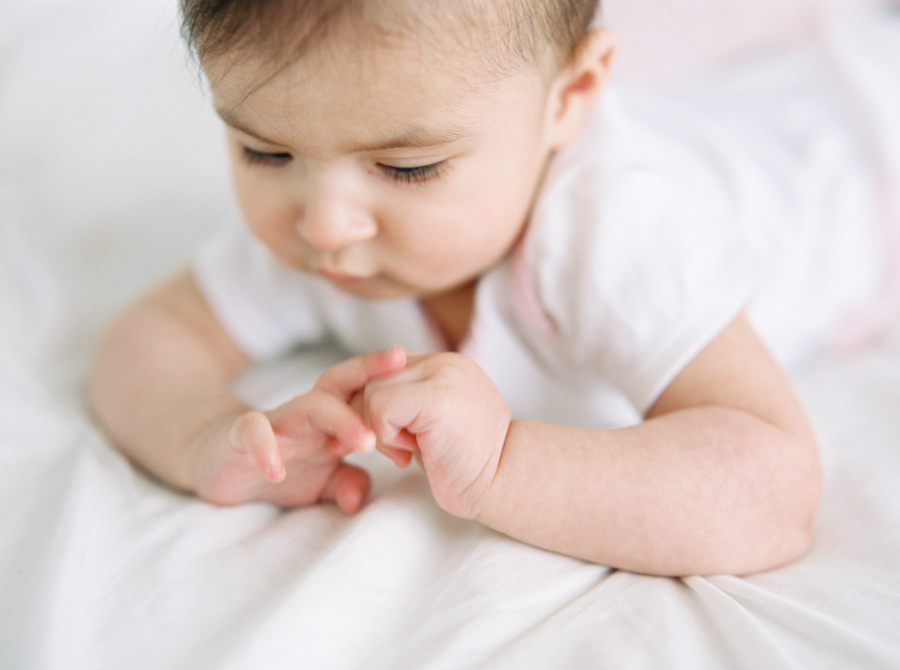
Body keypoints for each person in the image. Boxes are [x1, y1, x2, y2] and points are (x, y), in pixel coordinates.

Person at [90, 0, 900, 576]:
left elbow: (772, 489)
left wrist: (505, 464)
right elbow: (153, 335)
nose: (326, 224)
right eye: (262, 151)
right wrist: (205, 437)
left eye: (408, 167)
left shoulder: (609, 234)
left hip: (863, 159)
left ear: (570, 103)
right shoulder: (320, 204)